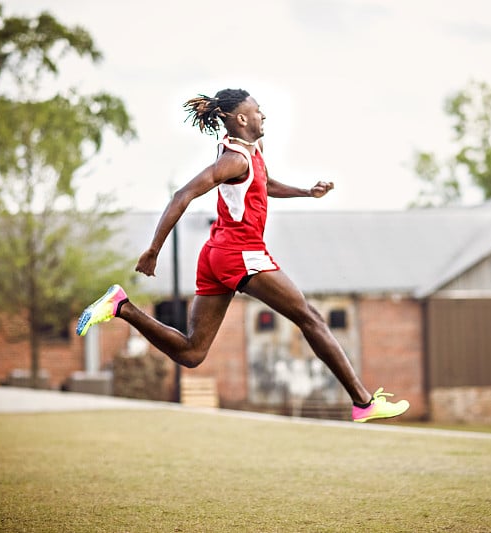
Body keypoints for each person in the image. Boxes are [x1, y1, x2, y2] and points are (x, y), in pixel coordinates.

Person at [76, 88, 409, 423]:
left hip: (216, 254)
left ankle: (122, 306)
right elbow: (184, 194)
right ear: (242, 119)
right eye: (259, 110)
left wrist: (307, 192)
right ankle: (363, 403)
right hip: (240, 253)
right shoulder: (234, 159)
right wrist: (154, 250)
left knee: (192, 353)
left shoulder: (253, 151)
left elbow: (265, 184)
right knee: (310, 318)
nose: (264, 115)